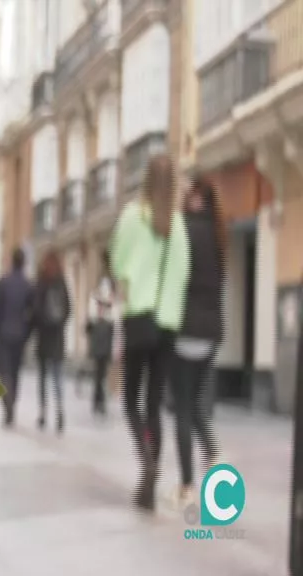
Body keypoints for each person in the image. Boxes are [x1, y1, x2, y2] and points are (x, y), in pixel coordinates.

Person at [109, 153, 191, 512]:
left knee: (130, 400)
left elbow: (116, 261)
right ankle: (151, 469)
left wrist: (129, 279)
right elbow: (184, 273)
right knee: (154, 403)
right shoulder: (178, 225)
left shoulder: (133, 216)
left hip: (139, 317)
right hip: (169, 323)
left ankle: (147, 461)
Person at [169, 176, 224, 508]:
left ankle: (187, 485)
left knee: (181, 408)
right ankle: (213, 455)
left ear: (194, 198)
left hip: (185, 331)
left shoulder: (183, 230)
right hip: (212, 333)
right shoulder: (219, 235)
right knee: (194, 403)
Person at [0, 247, 34, 428]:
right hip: (20, 335)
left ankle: (7, 402)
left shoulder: (3, 282)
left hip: (4, 334)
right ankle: (12, 403)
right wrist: (27, 333)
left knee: (3, 370)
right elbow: (33, 313)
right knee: (15, 372)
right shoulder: (28, 285)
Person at [32, 249, 71, 433]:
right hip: (57, 338)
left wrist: (40, 324)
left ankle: (43, 413)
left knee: (43, 378)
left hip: (44, 337)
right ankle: (60, 411)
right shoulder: (61, 282)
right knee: (57, 377)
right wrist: (60, 324)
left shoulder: (41, 282)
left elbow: (35, 310)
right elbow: (68, 309)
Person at [86, 267, 114, 416]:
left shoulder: (110, 304)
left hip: (103, 343)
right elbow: (89, 324)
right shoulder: (95, 301)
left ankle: (99, 401)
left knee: (101, 374)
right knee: (99, 374)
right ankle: (98, 401)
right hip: (99, 343)